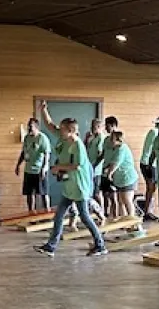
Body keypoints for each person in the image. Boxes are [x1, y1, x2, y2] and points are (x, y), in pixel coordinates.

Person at [34, 109, 107, 256]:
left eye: (62, 129)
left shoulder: (77, 145)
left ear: (71, 131)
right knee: (59, 216)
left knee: (85, 217)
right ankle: (51, 246)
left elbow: (76, 165)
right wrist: (44, 110)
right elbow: (50, 125)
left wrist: (58, 168)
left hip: (79, 185)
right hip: (69, 186)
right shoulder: (63, 138)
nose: (59, 130)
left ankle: (100, 245)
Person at [14, 116, 50, 212]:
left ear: (36, 127)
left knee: (43, 193)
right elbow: (23, 152)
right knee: (29, 194)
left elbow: (47, 154)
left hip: (39, 170)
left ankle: (47, 213)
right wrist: (18, 165)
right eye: (28, 126)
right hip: (29, 170)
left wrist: (44, 167)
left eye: (31, 126)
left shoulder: (42, 138)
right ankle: (31, 213)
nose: (29, 128)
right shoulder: (27, 138)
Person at [101, 129, 138, 217]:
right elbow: (110, 162)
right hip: (119, 180)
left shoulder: (122, 148)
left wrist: (109, 174)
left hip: (127, 178)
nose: (110, 141)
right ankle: (124, 220)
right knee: (120, 201)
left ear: (118, 140)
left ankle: (131, 219)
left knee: (127, 200)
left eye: (112, 139)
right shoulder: (114, 149)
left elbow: (116, 163)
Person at [139, 118, 159, 221]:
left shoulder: (153, 132)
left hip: (147, 163)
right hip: (150, 163)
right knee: (151, 188)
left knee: (151, 188)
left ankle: (148, 210)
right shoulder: (155, 133)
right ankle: (147, 211)